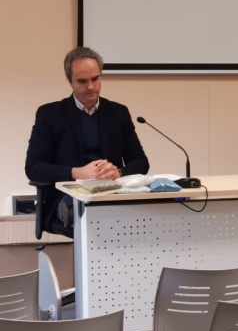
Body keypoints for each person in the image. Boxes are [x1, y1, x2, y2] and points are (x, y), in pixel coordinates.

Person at [25, 46, 150, 234]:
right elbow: (33, 167)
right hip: (69, 194)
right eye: (82, 81)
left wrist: (117, 171)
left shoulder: (118, 112)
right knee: (97, 220)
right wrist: (77, 172)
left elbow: (141, 162)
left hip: (111, 193)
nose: (91, 86)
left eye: (95, 79)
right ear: (70, 81)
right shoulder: (50, 114)